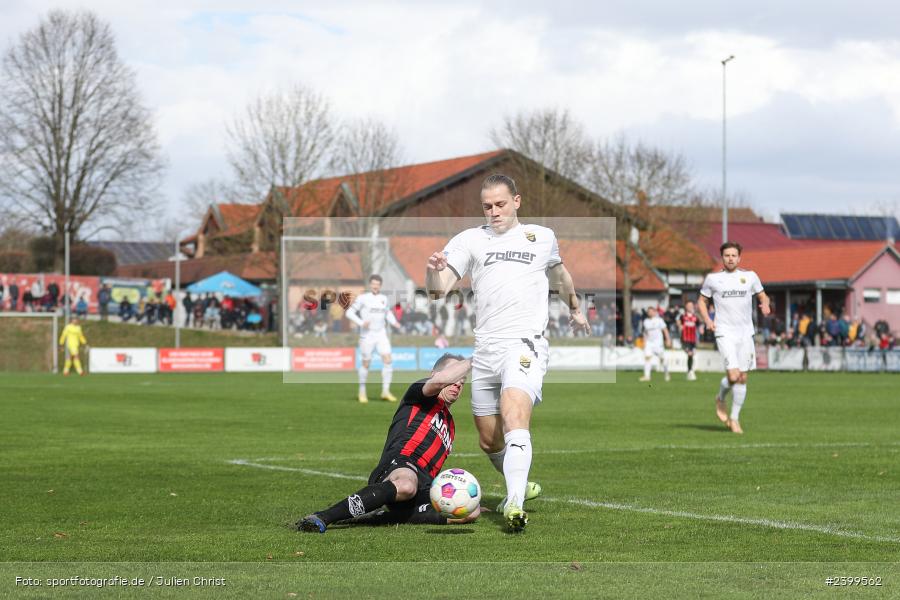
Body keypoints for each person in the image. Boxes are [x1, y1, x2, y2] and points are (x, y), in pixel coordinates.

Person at [425, 173, 587, 532]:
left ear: (517, 201)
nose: (494, 211)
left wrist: (575, 308)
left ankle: (513, 504)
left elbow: (560, 276)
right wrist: (431, 272)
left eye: (500, 204)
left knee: (514, 413)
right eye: (487, 206)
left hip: (525, 343)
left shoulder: (541, 237)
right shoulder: (470, 240)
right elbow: (438, 290)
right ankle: (520, 482)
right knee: (488, 439)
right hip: (486, 349)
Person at [297, 354, 478, 532]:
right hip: (400, 464)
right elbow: (440, 382)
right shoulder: (420, 394)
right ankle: (323, 516)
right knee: (407, 485)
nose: (457, 383)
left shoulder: (450, 425)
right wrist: (475, 358)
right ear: (434, 374)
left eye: (462, 381)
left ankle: (377, 517)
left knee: (471, 511)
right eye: (453, 376)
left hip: (425, 483)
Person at [697, 242, 770, 435]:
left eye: (733, 255)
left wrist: (765, 305)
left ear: (739, 258)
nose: (730, 258)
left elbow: (763, 296)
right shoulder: (713, 279)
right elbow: (702, 301)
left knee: (742, 377)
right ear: (722, 258)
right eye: (727, 255)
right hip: (724, 331)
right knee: (733, 375)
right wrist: (707, 320)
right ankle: (720, 397)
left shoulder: (750, 276)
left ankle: (735, 419)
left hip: (745, 333)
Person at [345, 274, 403, 403]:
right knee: (366, 363)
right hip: (367, 334)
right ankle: (362, 392)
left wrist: (394, 323)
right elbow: (349, 313)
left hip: (381, 333)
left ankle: (385, 391)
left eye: (378, 284)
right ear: (370, 285)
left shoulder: (384, 299)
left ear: (380, 286)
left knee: (388, 360)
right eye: (373, 283)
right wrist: (361, 323)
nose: (375, 286)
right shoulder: (363, 298)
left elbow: (387, 313)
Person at [639, 306, 671, 382]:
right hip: (649, 343)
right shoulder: (645, 321)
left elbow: (665, 330)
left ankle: (666, 373)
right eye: (648, 311)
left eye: (651, 311)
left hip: (658, 342)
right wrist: (644, 342)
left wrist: (668, 339)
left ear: (654, 312)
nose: (649, 313)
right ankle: (647, 376)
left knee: (662, 358)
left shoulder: (659, 320)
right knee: (647, 358)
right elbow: (645, 333)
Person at [679, 300, 700, 380]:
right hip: (685, 339)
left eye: (691, 305)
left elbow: (699, 325)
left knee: (691, 355)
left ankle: (689, 371)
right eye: (688, 305)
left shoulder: (695, 317)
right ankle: (690, 372)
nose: (690, 307)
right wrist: (679, 326)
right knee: (690, 354)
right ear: (686, 307)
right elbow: (679, 323)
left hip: (693, 340)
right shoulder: (682, 316)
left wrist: (701, 329)